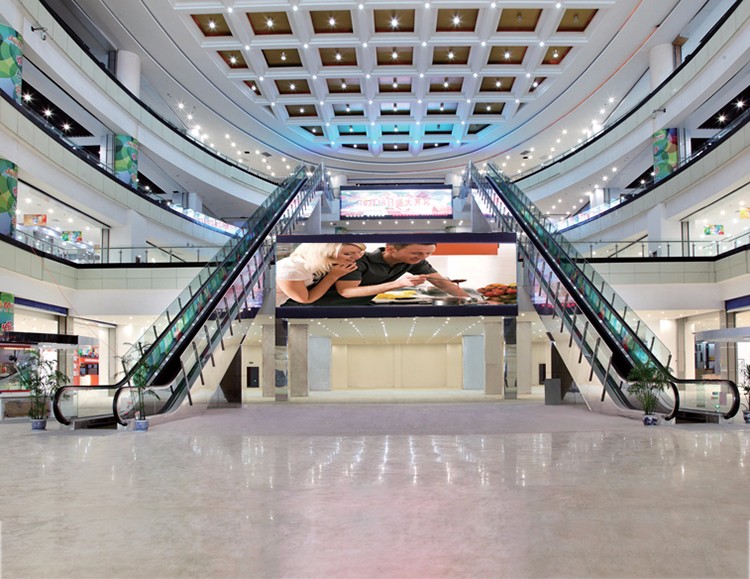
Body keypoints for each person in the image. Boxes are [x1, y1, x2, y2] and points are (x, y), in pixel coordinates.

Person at [310, 242, 470, 306]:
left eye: (428, 254)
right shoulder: (358, 261)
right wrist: (398, 284)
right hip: (320, 308)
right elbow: (347, 291)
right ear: (390, 249)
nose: (422, 258)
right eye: (417, 253)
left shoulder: (414, 261)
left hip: (356, 308)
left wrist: (469, 300)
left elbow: (441, 282)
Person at [276, 242, 365, 305]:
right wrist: (333, 276)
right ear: (325, 254)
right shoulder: (292, 270)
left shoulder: (312, 264)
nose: (357, 257)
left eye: (358, 253)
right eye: (348, 254)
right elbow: (306, 299)